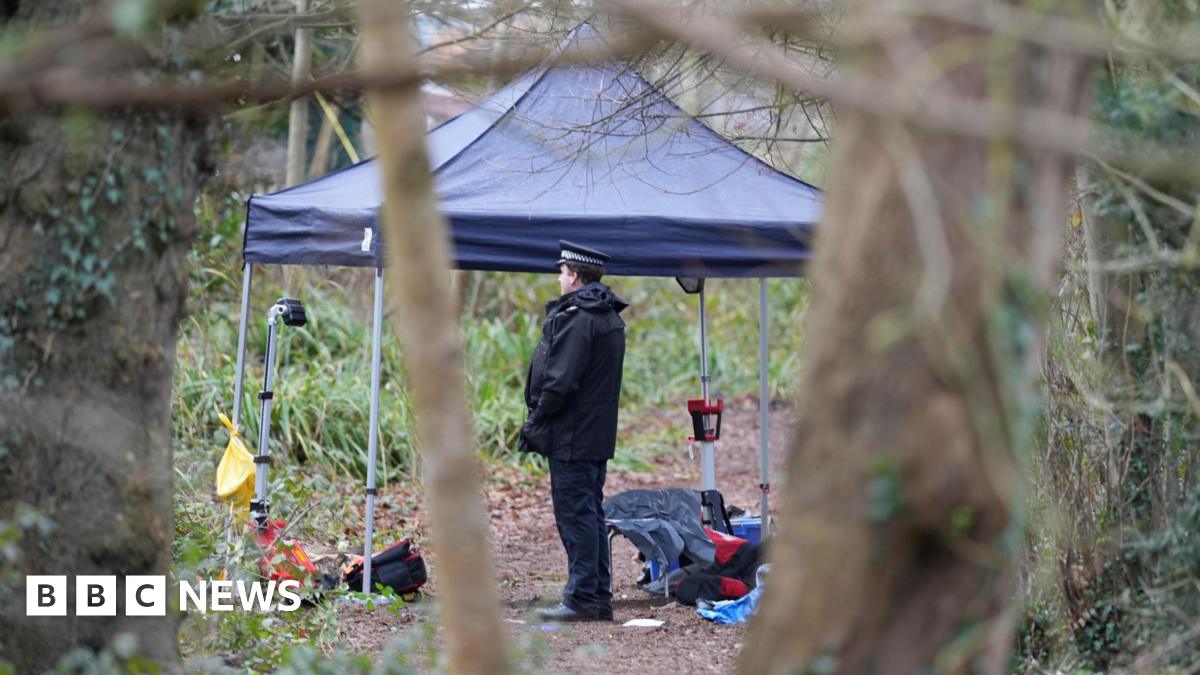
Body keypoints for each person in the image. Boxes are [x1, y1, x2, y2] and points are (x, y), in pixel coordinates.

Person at [521, 240, 628, 622]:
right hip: (593, 434)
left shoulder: (580, 317)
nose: (559, 277)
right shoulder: (606, 316)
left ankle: (583, 598)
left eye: (563, 271)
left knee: (576, 514)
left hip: (572, 434)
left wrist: (536, 421)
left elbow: (561, 382)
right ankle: (597, 596)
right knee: (590, 513)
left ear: (576, 276)